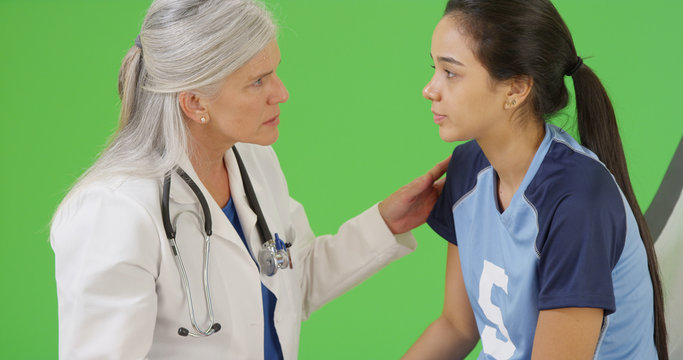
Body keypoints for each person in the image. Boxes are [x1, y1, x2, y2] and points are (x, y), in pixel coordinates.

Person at [50, 0, 448, 359]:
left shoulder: (254, 162)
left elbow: (293, 281)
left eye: (275, 73)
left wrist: (386, 223)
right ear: (195, 102)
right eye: (258, 81)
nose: (282, 93)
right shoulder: (114, 211)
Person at [403, 0, 667, 359]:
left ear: (515, 89)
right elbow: (457, 326)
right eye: (434, 68)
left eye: (450, 72)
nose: (429, 89)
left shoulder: (576, 203)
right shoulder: (467, 169)